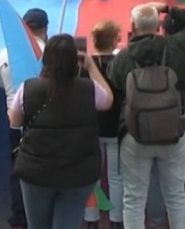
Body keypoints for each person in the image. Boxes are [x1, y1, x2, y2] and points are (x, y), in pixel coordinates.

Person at [108, 2, 185, 229]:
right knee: (176, 198)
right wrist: (167, 7)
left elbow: (113, 82)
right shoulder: (176, 47)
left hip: (134, 133)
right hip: (172, 130)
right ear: (158, 25)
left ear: (132, 26)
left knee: (133, 200)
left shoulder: (122, 58)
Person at [10, 34, 114, 229]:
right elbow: (108, 99)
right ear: (76, 60)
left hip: (35, 172)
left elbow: (14, 124)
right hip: (77, 173)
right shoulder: (89, 89)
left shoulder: (28, 88)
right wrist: (91, 66)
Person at [148, 11, 185, 229]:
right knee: (183, 172)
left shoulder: (154, 53)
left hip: (159, 118)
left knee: (155, 173)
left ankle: (155, 222)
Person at [0, 8, 49, 229]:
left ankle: (19, 216)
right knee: (45, 169)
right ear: (45, 29)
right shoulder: (48, 53)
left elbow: (0, 83)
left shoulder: (3, 53)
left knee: (18, 169)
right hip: (44, 119)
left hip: (14, 120)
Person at [82, 20, 124, 229]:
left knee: (92, 177)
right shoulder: (121, 63)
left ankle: (91, 221)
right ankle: (116, 222)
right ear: (114, 39)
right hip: (116, 129)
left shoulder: (84, 66)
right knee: (116, 177)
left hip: (91, 129)